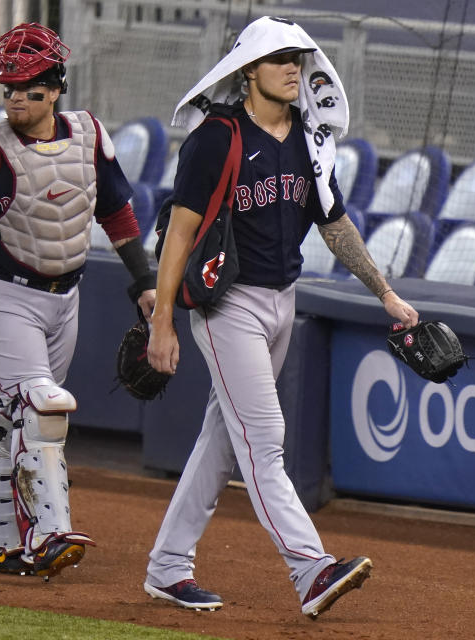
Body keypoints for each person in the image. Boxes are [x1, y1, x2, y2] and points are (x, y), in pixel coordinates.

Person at [143, 16, 418, 617]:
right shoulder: (216, 138)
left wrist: (387, 296)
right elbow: (180, 233)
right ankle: (311, 568)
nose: (293, 67)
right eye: (279, 59)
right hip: (228, 305)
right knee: (264, 439)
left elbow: (335, 223)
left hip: (282, 301)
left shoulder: (310, 136)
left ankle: (167, 567)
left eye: (297, 57)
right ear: (248, 71)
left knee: (223, 436)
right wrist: (162, 321)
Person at [0, 23, 156, 579]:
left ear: (55, 88)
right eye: (9, 89)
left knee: (19, 418)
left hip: (66, 298)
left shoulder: (89, 136)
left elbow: (116, 212)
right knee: (42, 407)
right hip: (1, 294)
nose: (16, 98)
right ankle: (48, 533)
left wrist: (146, 282)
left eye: (29, 89)